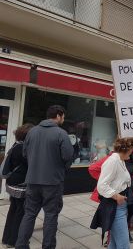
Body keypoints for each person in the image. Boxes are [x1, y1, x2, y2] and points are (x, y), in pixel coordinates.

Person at [15, 105, 74, 249]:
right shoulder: (61, 133)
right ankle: (48, 246)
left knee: (29, 214)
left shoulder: (32, 132)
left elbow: (25, 153)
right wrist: (61, 170)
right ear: (59, 116)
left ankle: (21, 245)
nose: (63, 119)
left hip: (32, 180)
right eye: (63, 116)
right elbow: (68, 156)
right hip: (53, 182)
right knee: (51, 215)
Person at [97, 138, 133, 249]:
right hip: (115, 207)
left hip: (121, 206)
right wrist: (116, 195)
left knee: (113, 244)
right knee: (123, 246)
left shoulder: (121, 160)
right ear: (127, 149)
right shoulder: (113, 161)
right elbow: (101, 185)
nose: (132, 152)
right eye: (132, 149)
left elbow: (123, 183)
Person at [2, 124, 33, 248]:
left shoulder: (16, 145)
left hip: (12, 183)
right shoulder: (24, 148)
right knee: (20, 213)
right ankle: (13, 240)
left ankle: (6, 238)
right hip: (20, 185)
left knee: (13, 211)